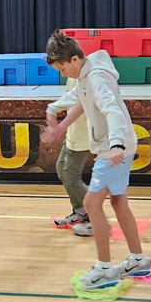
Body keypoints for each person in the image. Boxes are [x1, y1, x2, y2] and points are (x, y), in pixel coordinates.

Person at [43, 31, 151, 290]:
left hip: (113, 148)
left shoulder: (96, 77)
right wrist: (53, 107)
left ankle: (105, 269)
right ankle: (138, 260)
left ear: (73, 59)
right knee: (118, 202)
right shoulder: (85, 75)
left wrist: (115, 144)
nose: (62, 73)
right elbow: (78, 98)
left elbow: (111, 108)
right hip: (117, 146)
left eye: (62, 68)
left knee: (92, 203)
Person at [42, 77, 92, 232]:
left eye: (61, 67)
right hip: (73, 132)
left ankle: (97, 218)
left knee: (70, 175)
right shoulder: (72, 76)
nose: (60, 72)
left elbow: (82, 105)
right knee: (62, 169)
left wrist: (60, 127)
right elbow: (69, 99)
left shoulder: (88, 76)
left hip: (84, 135)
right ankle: (80, 212)